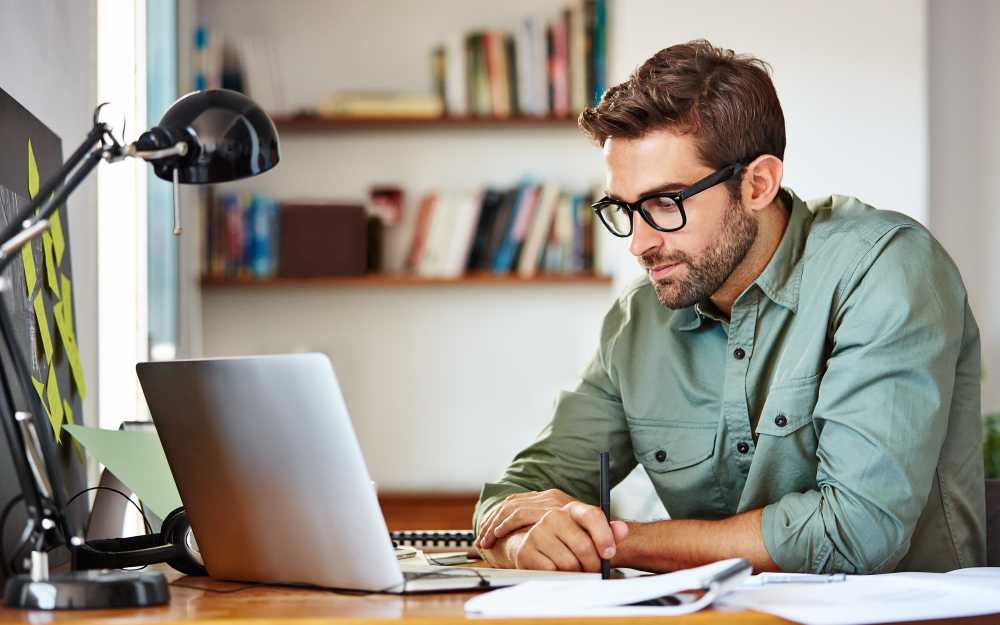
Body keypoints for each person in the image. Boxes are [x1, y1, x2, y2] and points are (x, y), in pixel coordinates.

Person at [473, 40, 985, 574]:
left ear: (758, 184)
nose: (639, 244)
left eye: (665, 203)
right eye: (624, 209)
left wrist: (612, 543)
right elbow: (519, 495)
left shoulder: (883, 268)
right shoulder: (639, 319)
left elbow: (855, 533)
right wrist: (522, 539)